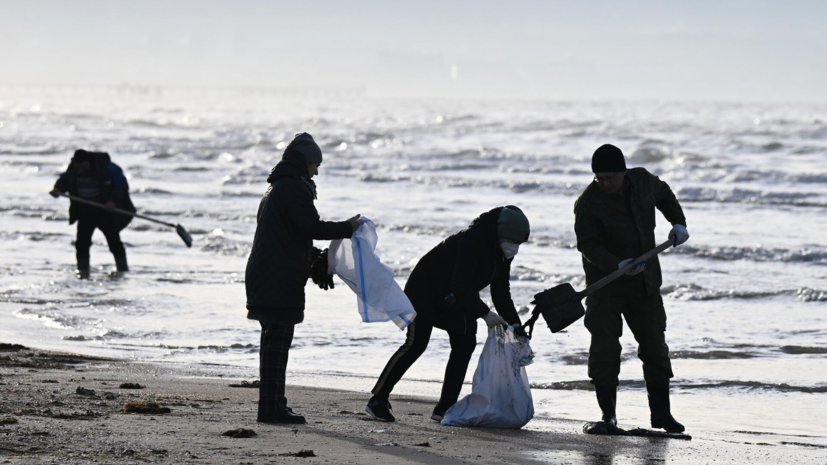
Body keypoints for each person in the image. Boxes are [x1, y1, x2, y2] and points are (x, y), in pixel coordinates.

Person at [365, 206, 530, 423]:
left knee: (465, 341)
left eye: (518, 244)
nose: (514, 247)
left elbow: (501, 292)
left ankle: (445, 407)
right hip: (424, 292)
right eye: (512, 241)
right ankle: (377, 399)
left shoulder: (502, 253)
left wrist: (516, 327)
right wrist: (484, 313)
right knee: (416, 343)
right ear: (500, 233)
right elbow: (460, 284)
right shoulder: (473, 240)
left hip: (454, 298)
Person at [245, 133, 363, 424]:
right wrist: (348, 228)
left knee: (274, 344)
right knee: (277, 345)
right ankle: (271, 408)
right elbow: (311, 226)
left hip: (270, 275)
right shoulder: (292, 188)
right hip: (277, 279)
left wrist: (315, 258)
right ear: (303, 162)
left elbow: (291, 236)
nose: (317, 171)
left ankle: (273, 404)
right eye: (314, 164)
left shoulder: (278, 188)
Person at [573, 144, 690, 433]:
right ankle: (608, 416)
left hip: (644, 284)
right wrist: (616, 264)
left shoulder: (643, 181)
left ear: (623, 172)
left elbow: (666, 196)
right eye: (599, 178)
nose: (605, 183)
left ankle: (662, 415)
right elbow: (588, 246)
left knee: (654, 347)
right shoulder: (587, 203)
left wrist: (678, 223)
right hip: (605, 287)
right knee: (605, 349)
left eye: (610, 177)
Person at [50, 149, 135, 277]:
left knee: (114, 242)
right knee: (82, 244)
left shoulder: (107, 168)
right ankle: (83, 272)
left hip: (104, 211)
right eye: (79, 167)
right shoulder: (73, 170)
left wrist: (113, 201)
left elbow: (121, 186)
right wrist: (58, 189)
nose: (82, 170)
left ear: (89, 162)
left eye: (84, 166)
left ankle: (123, 270)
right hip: (85, 211)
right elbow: (65, 180)